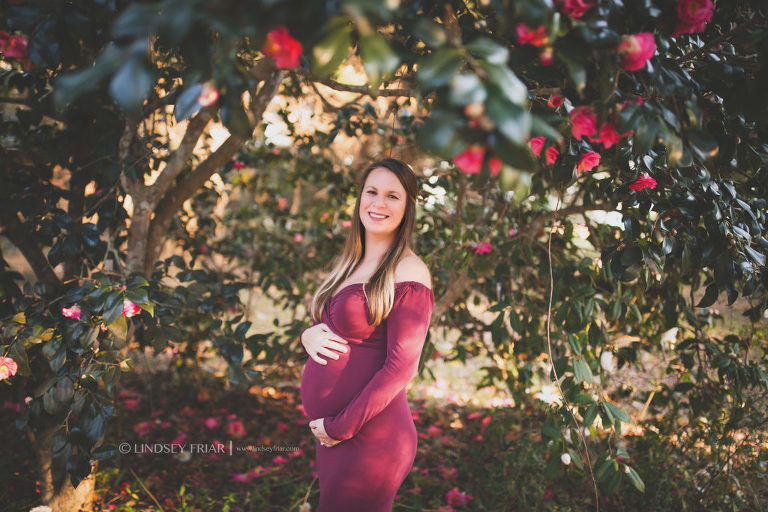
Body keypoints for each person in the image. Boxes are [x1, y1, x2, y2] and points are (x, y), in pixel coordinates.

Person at [299, 157, 435, 511]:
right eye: (372, 192)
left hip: (370, 437)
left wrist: (341, 427)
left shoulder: (409, 270)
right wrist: (307, 336)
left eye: (393, 196)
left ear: (407, 208)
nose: (378, 203)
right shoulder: (352, 263)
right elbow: (336, 328)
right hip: (336, 436)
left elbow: (401, 367)